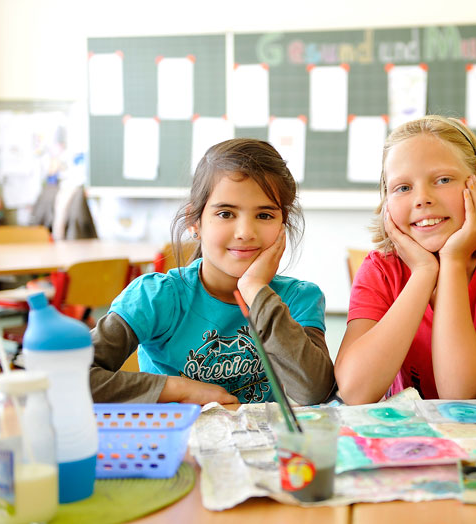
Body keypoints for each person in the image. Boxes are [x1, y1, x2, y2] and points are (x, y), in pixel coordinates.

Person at [90, 139, 335, 406]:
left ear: (282, 223)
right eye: (226, 213)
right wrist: (176, 389)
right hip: (178, 444)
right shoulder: (156, 297)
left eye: (264, 215)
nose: (245, 233)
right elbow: (70, 378)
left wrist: (254, 289)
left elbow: (315, 392)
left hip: (261, 445)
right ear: (195, 222)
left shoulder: (299, 299)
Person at [335, 116, 476, 405]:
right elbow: (354, 391)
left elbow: (460, 392)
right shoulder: (379, 270)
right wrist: (424, 272)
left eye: (443, 180)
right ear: (386, 202)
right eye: (402, 188)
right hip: (406, 439)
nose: (422, 198)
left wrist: (452, 260)